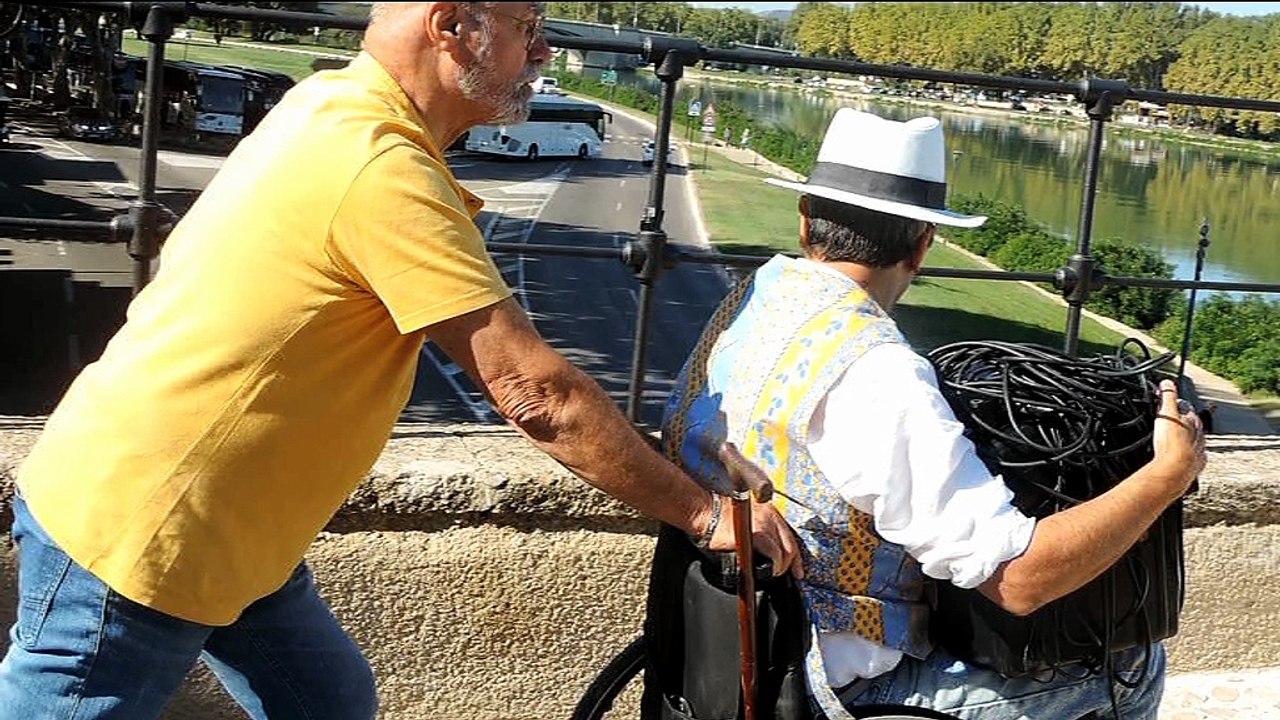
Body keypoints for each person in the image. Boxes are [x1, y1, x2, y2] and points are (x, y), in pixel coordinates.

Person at [0, 3, 802, 718]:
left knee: (330, 700)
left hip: (236, 531)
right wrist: (706, 514)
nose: (545, 55)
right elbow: (535, 393)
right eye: (530, 30)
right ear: (452, 28)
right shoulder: (380, 166)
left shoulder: (328, 100)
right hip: (151, 528)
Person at [660, 108, 1206, 719]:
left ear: (807, 219)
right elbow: (1019, 581)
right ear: (923, 244)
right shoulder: (877, 370)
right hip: (826, 687)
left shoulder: (750, 299)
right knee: (1130, 664)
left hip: (725, 649)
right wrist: (1166, 476)